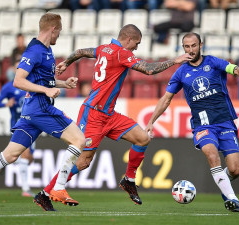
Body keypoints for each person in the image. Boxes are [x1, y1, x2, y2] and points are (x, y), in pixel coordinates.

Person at [33, 24, 193, 211]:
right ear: (128, 39)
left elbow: (81, 51)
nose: (136, 48)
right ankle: (45, 194)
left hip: (109, 114)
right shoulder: (121, 53)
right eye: (136, 43)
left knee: (143, 138)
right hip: (93, 114)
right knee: (84, 161)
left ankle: (129, 180)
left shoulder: (104, 48)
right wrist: (175, 60)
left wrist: (67, 63)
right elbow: (149, 70)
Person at [0, 12, 85, 212]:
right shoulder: (35, 50)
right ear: (53, 29)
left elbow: (44, 81)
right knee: (79, 140)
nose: (59, 36)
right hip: (41, 108)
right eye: (59, 31)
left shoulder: (47, 51)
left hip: (31, 110)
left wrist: (64, 84)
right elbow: (18, 81)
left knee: (10, 155)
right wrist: (47, 91)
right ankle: (59, 188)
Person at [145, 32, 239, 212]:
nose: (190, 50)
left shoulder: (213, 62)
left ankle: (225, 188)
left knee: (235, 170)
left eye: (193, 46)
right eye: (187, 47)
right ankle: (232, 199)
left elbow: (235, 68)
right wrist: (151, 121)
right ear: (183, 48)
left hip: (225, 121)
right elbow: (166, 99)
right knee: (212, 154)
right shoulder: (181, 72)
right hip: (202, 125)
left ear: (200, 45)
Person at [0, 61, 35, 197]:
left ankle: (3, 161)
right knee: (25, 154)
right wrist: (7, 103)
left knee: (29, 158)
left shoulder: (32, 83)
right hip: (19, 124)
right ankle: (25, 189)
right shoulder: (9, 87)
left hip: (33, 125)